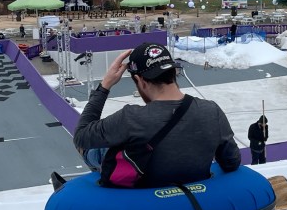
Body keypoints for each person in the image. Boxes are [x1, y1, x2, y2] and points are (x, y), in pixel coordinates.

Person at [70, 43, 240, 188]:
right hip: (194, 199)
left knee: (98, 150)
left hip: (143, 199)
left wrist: (105, 85)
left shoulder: (131, 118)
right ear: (174, 73)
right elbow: (231, 162)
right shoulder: (212, 111)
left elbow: (80, 136)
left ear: (141, 81)